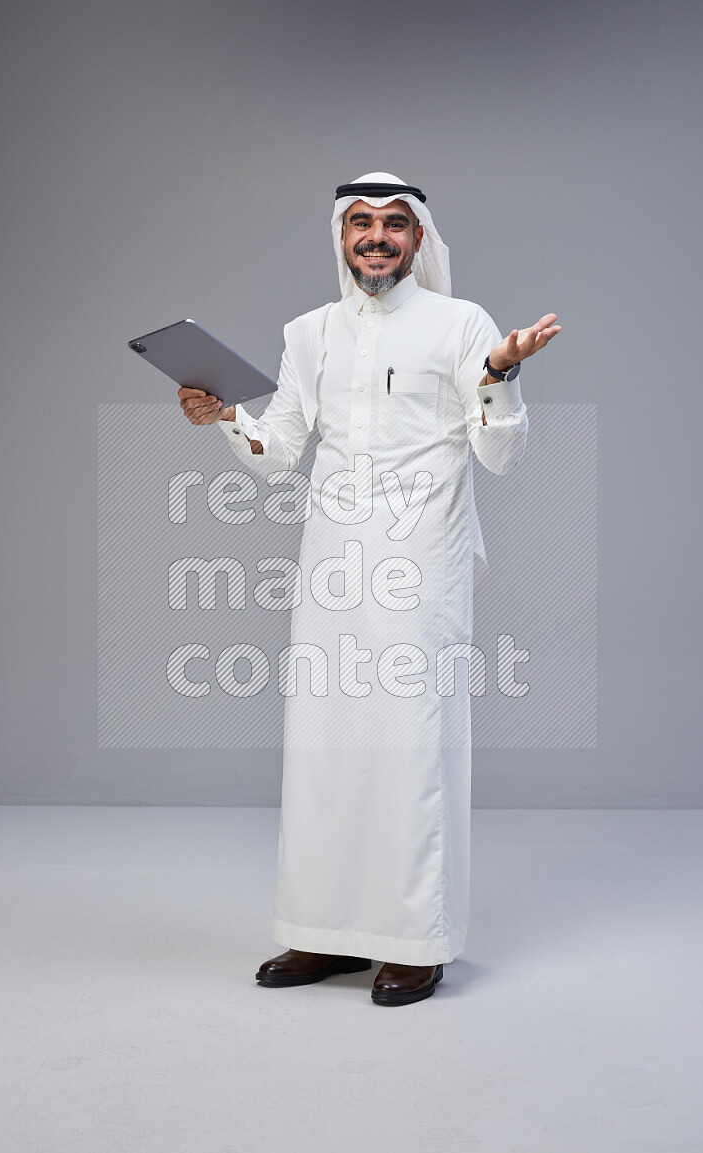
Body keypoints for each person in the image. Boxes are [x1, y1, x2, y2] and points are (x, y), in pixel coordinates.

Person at [179, 172, 561, 1006]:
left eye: (395, 224)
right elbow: (280, 449)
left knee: (412, 745)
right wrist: (225, 420)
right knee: (325, 745)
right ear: (341, 236)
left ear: (420, 239)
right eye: (362, 223)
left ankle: (415, 941)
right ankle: (322, 932)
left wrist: (499, 374)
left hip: (423, 560)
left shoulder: (463, 325)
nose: (378, 237)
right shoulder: (308, 332)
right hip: (331, 562)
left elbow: (501, 455)